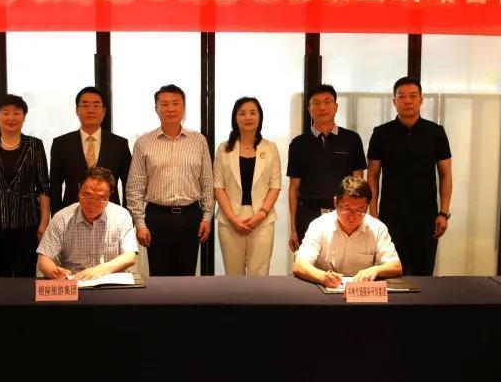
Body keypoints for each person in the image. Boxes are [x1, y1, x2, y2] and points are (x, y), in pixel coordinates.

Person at [367, 77, 453, 276]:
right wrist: (373, 213)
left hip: (426, 216)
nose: (407, 101)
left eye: (413, 96)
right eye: (402, 96)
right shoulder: (381, 133)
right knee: (392, 272)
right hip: (391, 216)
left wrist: (443, 213)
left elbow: (446, 174)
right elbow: (372, 175)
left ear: (421, 100)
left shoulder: (436, 132)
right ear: (394, 101)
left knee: (424, 273)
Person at [125, 84, 214, 276]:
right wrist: (140, 223)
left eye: (175, 103)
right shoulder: (144, 143)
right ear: (156, 108)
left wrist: (207, 217)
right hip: (157, 217)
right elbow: (135, 186)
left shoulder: (198, 141)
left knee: (187, 277)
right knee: (159, 277)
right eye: (164, 104)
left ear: (184, 107)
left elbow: (207, 182)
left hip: (190, 216)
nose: (170, 109)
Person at [0, 94, 51, 277]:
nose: (11, 117)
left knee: (26, 275)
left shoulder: (35, 145)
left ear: (24, 116)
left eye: (16, 112)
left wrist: (44, 222)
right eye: (6, 113)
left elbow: (44, 187)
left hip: (27, 222)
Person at [286, 84, 367, 252]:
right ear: (309, 110)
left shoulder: (352, 139)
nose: (322, 107)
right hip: (308, 216)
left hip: (343, 215)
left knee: (344, 261)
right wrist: (293, 228)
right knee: (309, 264)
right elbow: (294, 188)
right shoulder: (298, 144)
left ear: (336, 107)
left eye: (327, 102)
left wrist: (360, 218)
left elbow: (359, 182)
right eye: (316, 103)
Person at [213, 97, 282, 275]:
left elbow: (275, 185)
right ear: (235, 118)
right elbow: (218, 186)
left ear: (260, 117)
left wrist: (261, 215)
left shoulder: (270, 148)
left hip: (262, 218)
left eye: (253, 113)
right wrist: (232, 218)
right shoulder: (224, 149)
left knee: (259, 273)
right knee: (233, 274)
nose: (248, 117)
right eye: (242, 113)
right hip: (230, 218)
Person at [293, 176, 403, 287]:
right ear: (336, 202)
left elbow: (396, 266)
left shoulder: (377, 228)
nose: (352, 216)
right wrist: (322, 277)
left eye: (360, 210)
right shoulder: (319, 225)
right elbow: (300, 265)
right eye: (346, 209)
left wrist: (375, 270)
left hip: (360, 291)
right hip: (326, 290)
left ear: (367, 206)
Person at [37, 166, 138, 280]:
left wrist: (99, 270)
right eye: (87, 195)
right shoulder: (62, 218)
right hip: (74, 282)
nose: (92, 203)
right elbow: (44, 260)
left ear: (110, 194)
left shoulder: (121, 216)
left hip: (110, 282)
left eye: (100, 198)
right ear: (79, 188)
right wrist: (54, 272)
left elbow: (130, 256)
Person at [48, 86, 132, 215]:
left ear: (104, 111)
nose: (91, 110)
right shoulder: (61, 144)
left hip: (111, 215)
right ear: (77, 110)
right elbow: (55, 187)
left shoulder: (120, 144)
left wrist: (127, 216)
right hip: (71, 215)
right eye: (85, 105)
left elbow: (129, 185)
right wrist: (57, 217)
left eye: (96, 105)